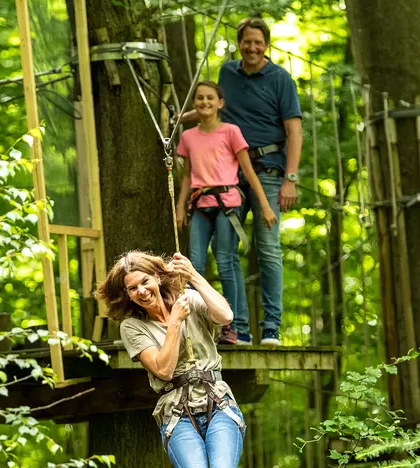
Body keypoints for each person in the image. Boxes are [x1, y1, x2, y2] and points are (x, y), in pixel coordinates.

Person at [95, 251, 246, 468]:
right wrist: (174, 322)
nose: (142, 291)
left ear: (157, 278)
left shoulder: (189, 299)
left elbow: (225, 316)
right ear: (127, 294)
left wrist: (193, 275)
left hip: (218, 401)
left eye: (145, 281)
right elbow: (163, 370)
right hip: (177, 413)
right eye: (133, 288)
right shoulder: (132, 327)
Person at [218, 17, 303, 346]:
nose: (252, 48)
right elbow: (216, 113)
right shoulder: (227, 73)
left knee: (268, 249)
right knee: (225, 249)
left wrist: (290, 179)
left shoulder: (281, 79)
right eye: (246, 42)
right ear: (239, 43)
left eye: (258, 42)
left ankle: (271, 326)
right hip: (230, 174)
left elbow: (294, 130)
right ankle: (237, 326)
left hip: (268, 171)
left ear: (266, 45)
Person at [175, 80, 277, 345]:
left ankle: (238, 328)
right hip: (199, 204)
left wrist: (265, 206)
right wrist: (179, 208)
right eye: (199, 98)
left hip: (227, 202)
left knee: (226, 261)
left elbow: (249, 171)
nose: (204, 102)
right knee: (193, 265)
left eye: (210, 98)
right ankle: (195, 325)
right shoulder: (188, 137)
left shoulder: (231, 132)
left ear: (220, 103)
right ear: (194, 104)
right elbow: (187, 176)